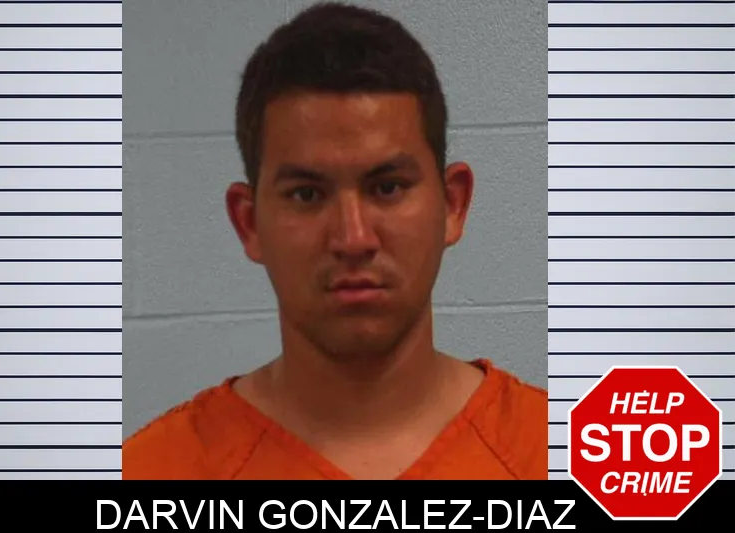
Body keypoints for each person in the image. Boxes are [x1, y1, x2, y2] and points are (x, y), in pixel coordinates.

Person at [123, 1, 547, 480]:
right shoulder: (151, 471)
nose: (353, 238)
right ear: (250, 223)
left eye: (387, 188)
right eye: (307, 194)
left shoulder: (576, 461)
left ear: (453, 205)